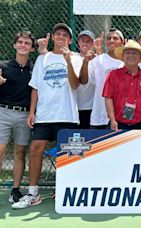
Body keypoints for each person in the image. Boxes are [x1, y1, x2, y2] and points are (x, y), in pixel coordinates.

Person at [12, 23, 81, 209]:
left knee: (67, 154)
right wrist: (32, 112)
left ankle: (64, 189)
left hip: (67, 114)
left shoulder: (75, 58)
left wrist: (67, 60)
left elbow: (75, 85)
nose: (60, 37)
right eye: (58, 33)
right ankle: (33, 193)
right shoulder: (43, 58)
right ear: (53, 37)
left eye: (65, 35)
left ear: (70, 40)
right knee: (35, 150)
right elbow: (35, 87)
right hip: (44, 114)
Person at [0, 31, 35, 204]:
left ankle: (15, 190)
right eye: (20, 42)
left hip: (24, 114)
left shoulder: (34, 68)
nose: (23, 45)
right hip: (3, 112)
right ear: (14, 45)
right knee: (0, 151)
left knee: (20, 153)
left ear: (31, 48)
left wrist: (32, 113)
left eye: (27, 43)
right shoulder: (3, 66)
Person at [103, 40, 141, 130]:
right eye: (127, 53)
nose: (131, 55)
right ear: (122, 57)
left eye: (134, 53)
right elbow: (108, 97)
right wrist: (112, 119)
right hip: (117, 124)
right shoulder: (113, 75)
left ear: (140, 57)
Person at [79, 28, 125, 129]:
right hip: (99, 117)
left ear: (123, 42)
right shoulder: (97, 60)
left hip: (122, 117)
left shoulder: (127, 62)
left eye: (115, 38)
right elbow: (83, 81)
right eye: (109, 38)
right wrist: (85, 62)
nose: (111, 40)